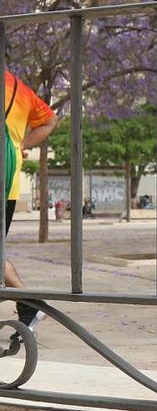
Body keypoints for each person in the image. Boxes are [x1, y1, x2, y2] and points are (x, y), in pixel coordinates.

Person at [2, 68, 59, 341]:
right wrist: (20, 144)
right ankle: (28, 306)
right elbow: (50, 121)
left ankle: (29, 305)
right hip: (9, 180)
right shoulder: (19, 88)